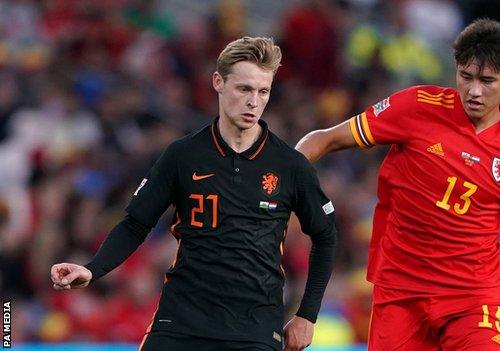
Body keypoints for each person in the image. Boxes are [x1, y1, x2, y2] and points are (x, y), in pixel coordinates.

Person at [50, 37, 338, 351]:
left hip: (253, 328)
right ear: (218, 82)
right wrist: (92, 269)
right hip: (181, 322)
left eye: (263, 91)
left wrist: (306, 316)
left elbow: (325, 236)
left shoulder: (290, 165)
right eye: (244, 89)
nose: (254, 102)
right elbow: (135, 224)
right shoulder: (183, 156)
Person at [296, 19, 500, 351]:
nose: (474, 91)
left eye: (487, 81)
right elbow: (327, 139)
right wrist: (279, 176)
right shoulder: (416, 107)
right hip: (401, 291)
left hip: (472, 297)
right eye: (466, 77)